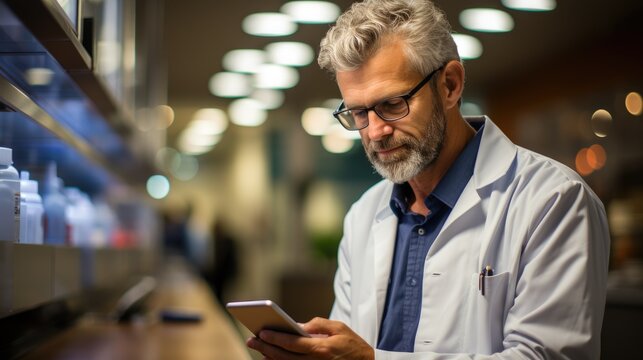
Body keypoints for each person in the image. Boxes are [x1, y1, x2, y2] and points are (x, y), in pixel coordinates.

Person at [247, 0, 610, 358]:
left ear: (450, 85)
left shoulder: (554, 200)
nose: (375, 132)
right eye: (359, 112)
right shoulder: (364, 214)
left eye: (392, 104)